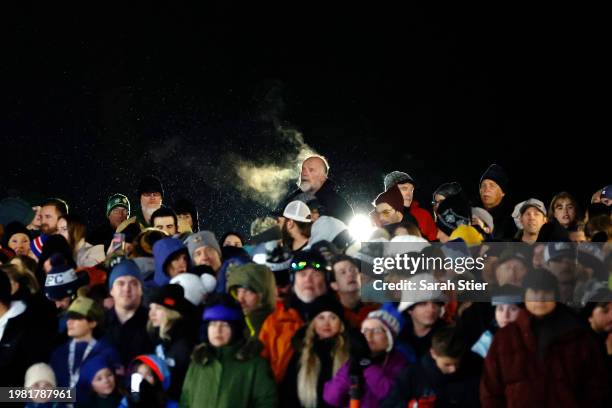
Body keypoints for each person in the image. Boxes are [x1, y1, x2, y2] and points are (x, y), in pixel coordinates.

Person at [480, 268, 608, 407]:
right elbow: (491, 391)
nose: (540, 299)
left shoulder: (579, 336)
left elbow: (596, 388)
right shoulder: (505, 338)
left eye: (546, 293)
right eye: (534, 293)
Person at [180, 295, 277, 407]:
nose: (218, 330)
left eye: (225, 325)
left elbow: (267, 403)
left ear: (235, 328)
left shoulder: (255, 365)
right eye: (212, 324)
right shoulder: (198, 361)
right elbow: (185, 400)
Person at [259, 249, 331, 383]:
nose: (308, 280)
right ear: (293, 280)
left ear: (326, 280)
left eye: (315, 274)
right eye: (302, 274)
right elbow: (262, 377)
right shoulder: (275, 323)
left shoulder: (342, 320)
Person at [323, 305, 409, 407]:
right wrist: (352, 368)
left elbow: (390, 395)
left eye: (376, 331)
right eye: (365, 330)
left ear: (389, 338)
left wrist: (368, 365)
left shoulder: (399, 363)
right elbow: (331, 398)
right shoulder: (354, 359)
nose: (369, 336)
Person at [381, 326, 480, 408]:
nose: (453, 369)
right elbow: (389, 404)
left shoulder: (474, 369)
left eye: (457, 363)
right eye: (447, 364)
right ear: (433, 353)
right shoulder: (412, 375)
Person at [281, 295, 350, 408]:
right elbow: (289, 394)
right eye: (321, 318)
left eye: (332, 317)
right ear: (313, 323)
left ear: (341, 323)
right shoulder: (300, 353)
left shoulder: (350, 352)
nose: (326, 324)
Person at [50, 296, 122, 403]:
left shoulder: (108, 351)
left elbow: (117, 389)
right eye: (69, 317)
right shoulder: (58, 353)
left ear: (93, 322)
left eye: (76, 318)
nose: (69, 322)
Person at [147, 284, 196, 400]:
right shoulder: (157, 336)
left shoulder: (183, 344)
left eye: (158, 308)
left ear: (171, 312)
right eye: (151, 308)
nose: (151, 314)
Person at [104, 260, 154, 367]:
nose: (127, 289)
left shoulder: (153, 322)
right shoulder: (100, 323)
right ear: (111, 290)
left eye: (134, 283)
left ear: (141, 290)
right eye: (121, 283)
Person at [277, 155, 354, 224]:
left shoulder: (339, 206)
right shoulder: (292, 200)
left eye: (311, 170)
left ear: (323, 177)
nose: (304, 173)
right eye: (303, 169)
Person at [398, 274, 448, 360]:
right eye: (423, 304)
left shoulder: (447, 335)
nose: (431, 309)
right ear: (410, 309)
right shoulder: (401, 335)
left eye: (436, 303)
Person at [384, 171, 437, 241]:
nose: (409, 194)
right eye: (404, 188)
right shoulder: (376, 218)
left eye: (411, 190)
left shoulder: (419, 216)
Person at [227, 263, 277, 337]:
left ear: (264, 293)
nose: (240, 299)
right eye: (237, 291)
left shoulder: (280, 327)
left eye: (247, 291)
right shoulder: (233, 326)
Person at [330, 255, 379, 328]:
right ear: (334, 285)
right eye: (343, 272)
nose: (350, 274)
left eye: (353, 270)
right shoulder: (331, 314)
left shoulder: (377, 307)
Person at [478, 164, 517, 240]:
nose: (486, 189)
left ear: (502, 192)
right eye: (483, 185)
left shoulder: (511, 221)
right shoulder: (470, 214)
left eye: (492, 186)